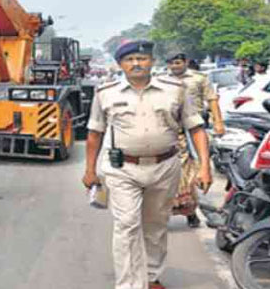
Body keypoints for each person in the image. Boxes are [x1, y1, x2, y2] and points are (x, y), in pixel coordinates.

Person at [83, 41, 212, 289]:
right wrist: (90, 170)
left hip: (165, 167)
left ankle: (151, 277)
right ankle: (129, 285)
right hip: (123, 169)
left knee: (156, 225)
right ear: (120, 64)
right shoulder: (105, 92)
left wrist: (204, 167)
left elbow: (196, 128)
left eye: (142, 58)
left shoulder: (175, 89)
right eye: (130, 60)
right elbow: (94, 133)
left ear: (151, 61)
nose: (136, 64)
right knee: (127, 225)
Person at [165, 52, 224, 228]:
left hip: (195, 128)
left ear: (186, 62)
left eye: (177, 62)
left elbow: (212, 100)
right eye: (171, 63)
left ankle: (192, 212)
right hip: (173, 130)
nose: (175, 66)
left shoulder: (199, 78)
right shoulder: (161, 82)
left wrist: (218, 122)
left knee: (195, 169)